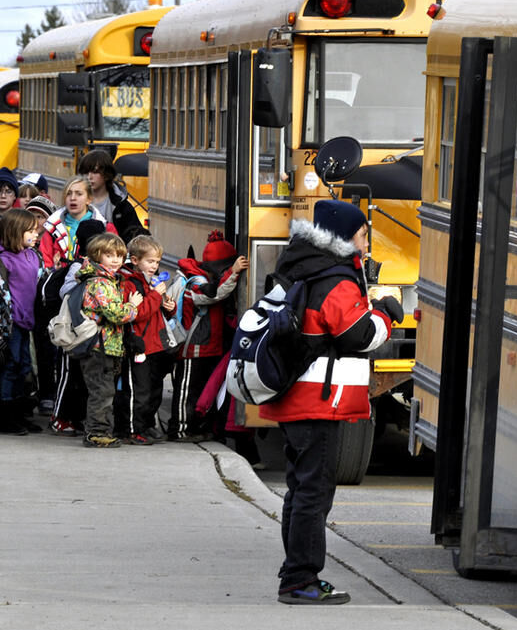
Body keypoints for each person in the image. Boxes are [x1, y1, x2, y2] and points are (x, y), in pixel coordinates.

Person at [259, 199, 402, 605]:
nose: (367, 241)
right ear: (343, 237)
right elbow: (357, 336)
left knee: (300, 488)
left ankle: (294, 572)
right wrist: (386, 315)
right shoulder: (335, 280)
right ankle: (300, 579)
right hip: (318, 400)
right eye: (362, 234)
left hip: (294, 396)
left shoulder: (302, 265)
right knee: (314, 491)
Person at [170, 231, 248, 442]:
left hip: (208, 346)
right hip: (192, 347)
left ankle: (196, 427)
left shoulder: (200, 275)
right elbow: (214, 294)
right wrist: (232, 273)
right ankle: (180, 429)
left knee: (200, 392)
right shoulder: (195, 281)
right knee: (186, 391)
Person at [74, 232, 142, 448]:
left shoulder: (106, 280)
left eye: (119, 256)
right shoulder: (101, 283)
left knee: (103, 390)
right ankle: (96, 433)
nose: (116, 260)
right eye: (109, 255)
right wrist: (132, 306)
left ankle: (100, 430)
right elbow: (115, 314)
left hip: (104, 345)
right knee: (101, 392)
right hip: (98, 346)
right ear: (96, 255)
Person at [45, 219, 106, 433]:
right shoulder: (78, 265)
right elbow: (66, 291)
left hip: (89, 330)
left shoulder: (103, 267)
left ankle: (76, 416)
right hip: (73, 329)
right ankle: (59, 416)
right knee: (67, 374)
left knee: (82, 377)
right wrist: (84, 278)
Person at [116, 234, 175, 445]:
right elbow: (138, 314)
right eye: (150, 261)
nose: (154, 266)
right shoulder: (130, 283)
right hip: (138, 345)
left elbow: (155, 313)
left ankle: (147, 425)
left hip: (155, 344)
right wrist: (156, 297)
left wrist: (168, 307)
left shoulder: (151, 282)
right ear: (135, 260)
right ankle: (133, 429)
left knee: (153, 389)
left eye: (157, 262)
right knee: (137, 390)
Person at [0, 208, 42, 434]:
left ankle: (20, 412)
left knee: (25, 366)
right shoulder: (1, 260)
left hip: (28, 321)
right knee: (10, 366)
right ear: (15, 232)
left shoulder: (33, 256)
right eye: (30, 230)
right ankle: (5, 416)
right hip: (10, 323)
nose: (36, 233)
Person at [38, 175, 114, 269]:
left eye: (79, 194)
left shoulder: (106, 228)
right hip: (60, 281)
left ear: (89, 199)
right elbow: (45, 263)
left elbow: (114, 260)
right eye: (69, 194)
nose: (73, 198)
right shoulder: (52, 227)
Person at [77, 149, 148, 242]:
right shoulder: (75, 202)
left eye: (95, 172)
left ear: (107, 174)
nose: (89, 177)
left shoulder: (122, 207)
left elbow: (136, 237)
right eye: (85, 172)